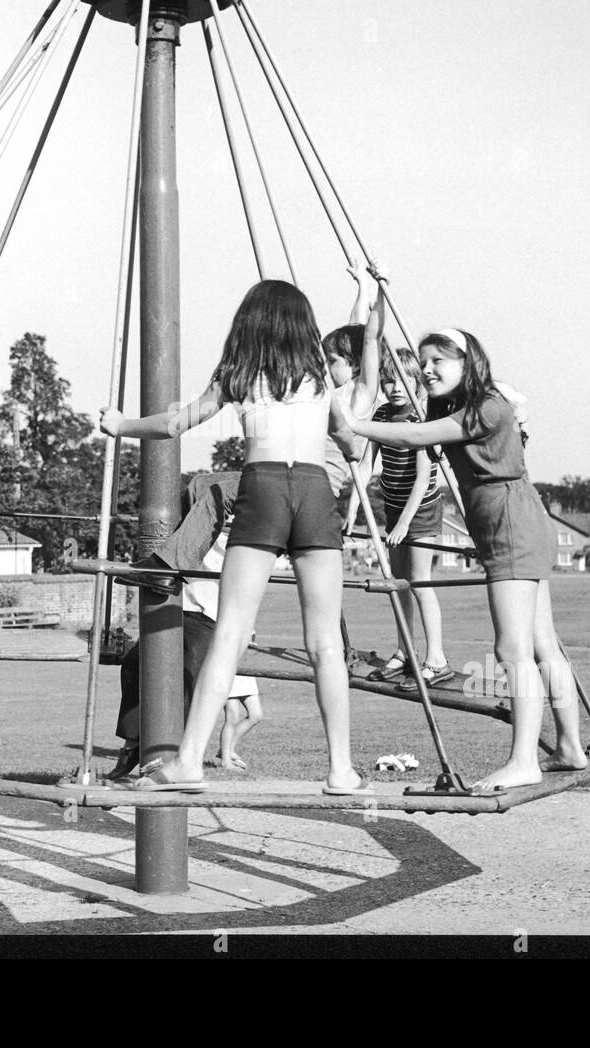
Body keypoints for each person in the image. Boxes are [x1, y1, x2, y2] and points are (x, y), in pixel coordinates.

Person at [100, 280, 370, 795]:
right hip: (314, 492)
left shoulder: (241, 373)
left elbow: (177, 423)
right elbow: (350, 438)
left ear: (249, 323)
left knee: (229, 633)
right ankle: (341, 770)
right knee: (325, 642)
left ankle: (189, 762)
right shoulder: (318, 378)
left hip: (263, 487)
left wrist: (121, 424)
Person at [348, 328, 587, 792]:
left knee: (512, 649)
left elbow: (416, 435)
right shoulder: (469, 406)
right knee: (543, 644)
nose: (427, 369)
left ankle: (524, 760)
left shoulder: (486, 408)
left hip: (510, 528)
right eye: (423, 361)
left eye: (440, 360)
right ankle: (570, 747)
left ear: (469, 362)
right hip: (516, 522)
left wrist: (351, 424)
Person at [117, 261, 383, 599]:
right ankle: (169, 555)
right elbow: (355, 329)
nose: (328, 364)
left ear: (356, 364)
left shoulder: (357, 395)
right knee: (200, 483)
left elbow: (368, 338)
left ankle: (169, 566)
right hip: (289, 481)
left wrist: (378, 295)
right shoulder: (318, 387)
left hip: (308, 489)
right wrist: (362, 289)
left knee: (218, 494)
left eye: (334, 360)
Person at [356, 346, 455, 691]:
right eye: (387, 380)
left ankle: (437, 658)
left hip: (422, 509)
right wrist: (355, 508)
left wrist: (401, 524)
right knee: (397, 584)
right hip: (394, 507)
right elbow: (367, 464)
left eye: (402, 380)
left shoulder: (420, 421)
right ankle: (404, 650)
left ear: (417, 383)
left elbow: (422, 478)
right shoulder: (382, 416)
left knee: (419, 581)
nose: (394, 387)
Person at [108, 530, 231, 782]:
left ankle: (172, 755)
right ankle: (132, 746)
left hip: (208, 615)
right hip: (174, 606)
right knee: (134, 662)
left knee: (189, 675)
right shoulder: (185, 527)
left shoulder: (234, 535)